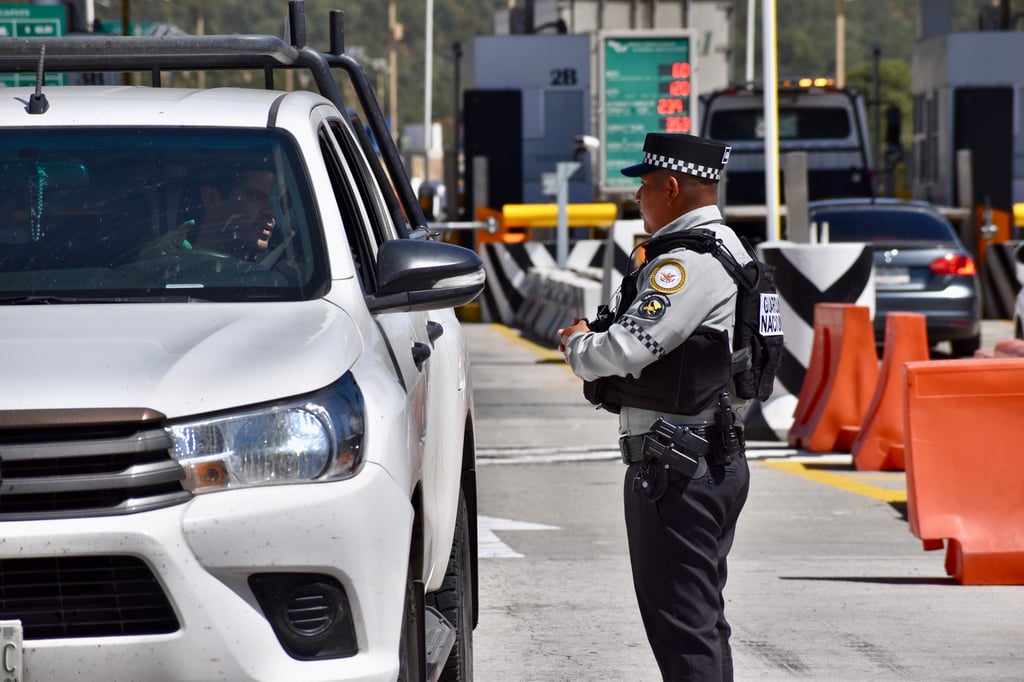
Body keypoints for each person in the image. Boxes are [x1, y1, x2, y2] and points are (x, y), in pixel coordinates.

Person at [557, 132, 752, 682]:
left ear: (671, 187)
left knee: (682, 626)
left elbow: (626, 348)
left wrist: (576, 343)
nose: (637, 200)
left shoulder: (686, 265)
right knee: (700, 623)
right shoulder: (728, 249)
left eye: (643, 188)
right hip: (706, 457)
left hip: (678, 467)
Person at [185, 166, 280, 260]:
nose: (271, 212)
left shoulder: (280, 272)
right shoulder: (175, 266)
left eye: (277, 201)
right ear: (211, 199)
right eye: (256, 197)